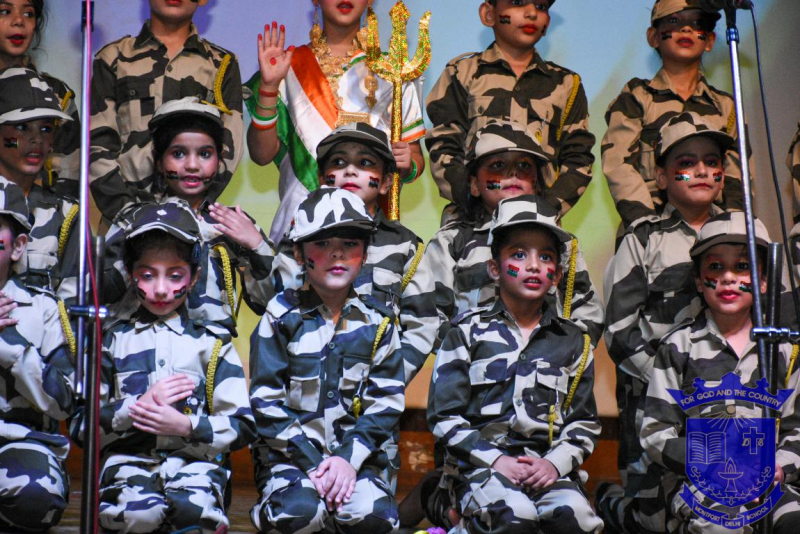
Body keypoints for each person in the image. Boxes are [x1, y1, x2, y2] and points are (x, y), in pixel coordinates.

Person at [71, 202, 256, 533]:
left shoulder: (213, 345)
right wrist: (135, 409)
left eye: (174, 276)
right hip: (127, 466)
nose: (160, 289)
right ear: (130, 274)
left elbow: (242, 426)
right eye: (147, 275)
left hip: (196, 465)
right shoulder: (109, 342)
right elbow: (81, 426)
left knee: (195, 516)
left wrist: (187, 425)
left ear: (194, 277)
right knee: (138, 517)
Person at [427, 194, 603, 534]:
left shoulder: (573, 341)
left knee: (579, 519)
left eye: (546, 257)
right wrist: (496, 460)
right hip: (479, 468)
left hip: (546, 469)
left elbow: (583, 423)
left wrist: (554, 465)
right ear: (495, 268)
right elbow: (444, 417)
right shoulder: (465, 332)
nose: (534, 266)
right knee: (514, 515)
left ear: (558, 274)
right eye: (519, 254)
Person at [599, 111, 733, 532]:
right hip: (655, 400)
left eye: (712, 161)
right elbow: (619, 331)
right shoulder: (643, 238)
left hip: (730, 397)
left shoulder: (747, 236)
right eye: (686, 163)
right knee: (654, 517)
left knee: (728, 497)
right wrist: (666, 383)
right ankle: (613, 505)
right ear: (661, 177)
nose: (702, 171)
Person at [249, 188, 404, 534]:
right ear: (299, 253)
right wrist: (313, 465)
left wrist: (347, 462)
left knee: (376, 520)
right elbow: (266, 402)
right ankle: (272, 508)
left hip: (357, 460)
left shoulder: (380, 322)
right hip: (290, 458)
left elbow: (386, 403)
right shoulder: (280, 316)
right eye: (321, 243)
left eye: (350, 244)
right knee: (299, 515)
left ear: (365, 254)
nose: (337, 253)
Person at [641, 212, 800, 534]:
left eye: (742, 266)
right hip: (698, 482)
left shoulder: (785, 350)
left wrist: (778, 468)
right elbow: (656, 434)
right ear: (699, 282)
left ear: (764, 280)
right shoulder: (677, 347)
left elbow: (795, 429)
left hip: (768, 479)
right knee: (725, 524)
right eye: (715, 267)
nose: (728, 277)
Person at [246, 0, 426, 243]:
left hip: (371, 229)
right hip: (301, 226)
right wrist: (268, 88)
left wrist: (408, 164)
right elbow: (261, 155)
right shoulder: (288, 66)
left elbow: (415, 158)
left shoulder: (394, 70)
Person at [273, 122, 438, 383]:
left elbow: (422, 325)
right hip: (304, 387)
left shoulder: (404, 246)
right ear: (321, 179)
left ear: (386, 182)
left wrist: (385, 383)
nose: (350, 170)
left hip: (375, 396)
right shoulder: (300, 238)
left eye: (365, 163)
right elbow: (275, 306)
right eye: (338, 163)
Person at [102, 97, 275, 334]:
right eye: (178, 153)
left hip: (209, 351)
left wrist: (257, 246)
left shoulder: (230, 222)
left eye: (204, 154)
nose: (192, 165)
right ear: (159, 161)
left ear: (219, 160)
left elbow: (270, 302)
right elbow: (103, 293)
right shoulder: (132, 220)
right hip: (139, 350)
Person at [424, 120, 603, 348]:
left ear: (536, 183)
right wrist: (467, 352)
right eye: (497, 165)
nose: (513, 172)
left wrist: (562, 353)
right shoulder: (450, 242)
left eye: (525, 166)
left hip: (546, 364)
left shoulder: (563, 243)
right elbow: (428, 317)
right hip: (472, 364)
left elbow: (589, 315)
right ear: (475, 185)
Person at [426, 0, 594, 222]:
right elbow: (444, 146)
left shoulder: (566, 84)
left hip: (538, 225)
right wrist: (474, 199)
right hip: (470, 222)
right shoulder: (462, 73)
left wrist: (543, 211)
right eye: (517, 2)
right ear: (488, 14)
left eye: (541, 7)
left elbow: (578, 158)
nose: (532, 13)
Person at [89, 0, 243, 225]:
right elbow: (97, 143)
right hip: (123, 219)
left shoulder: (221, 64)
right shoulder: (114, 58)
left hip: (193, 219)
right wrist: (127, 213)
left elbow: (229, 146)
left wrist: (191, 208)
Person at [602, 0, 747, 234]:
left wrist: (733, 230)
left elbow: (737, 175)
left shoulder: (726, 106)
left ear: (710, 40)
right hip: (649, 229)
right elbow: (618, 166)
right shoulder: (637, 97)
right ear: (653, 37)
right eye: (674, 21)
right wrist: (648, 227)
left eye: (697, 23)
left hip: (714, 233)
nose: (687, 29)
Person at [0, 177, 75, 532]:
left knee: (37, 496)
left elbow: (63, 403)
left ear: (18, 247)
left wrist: (9, 347)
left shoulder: (44, 309)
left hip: (20, 442)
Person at [0, 66, 81, 305]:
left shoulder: (66, 215)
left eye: (46, 129)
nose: (36, 139)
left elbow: (72, 307)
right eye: (22, 127)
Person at [0, 0, 80, 197]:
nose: (19, 21)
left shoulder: (56, 95)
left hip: (39, 211)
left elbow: (68, 178)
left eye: (28, 13)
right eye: (5, 11)